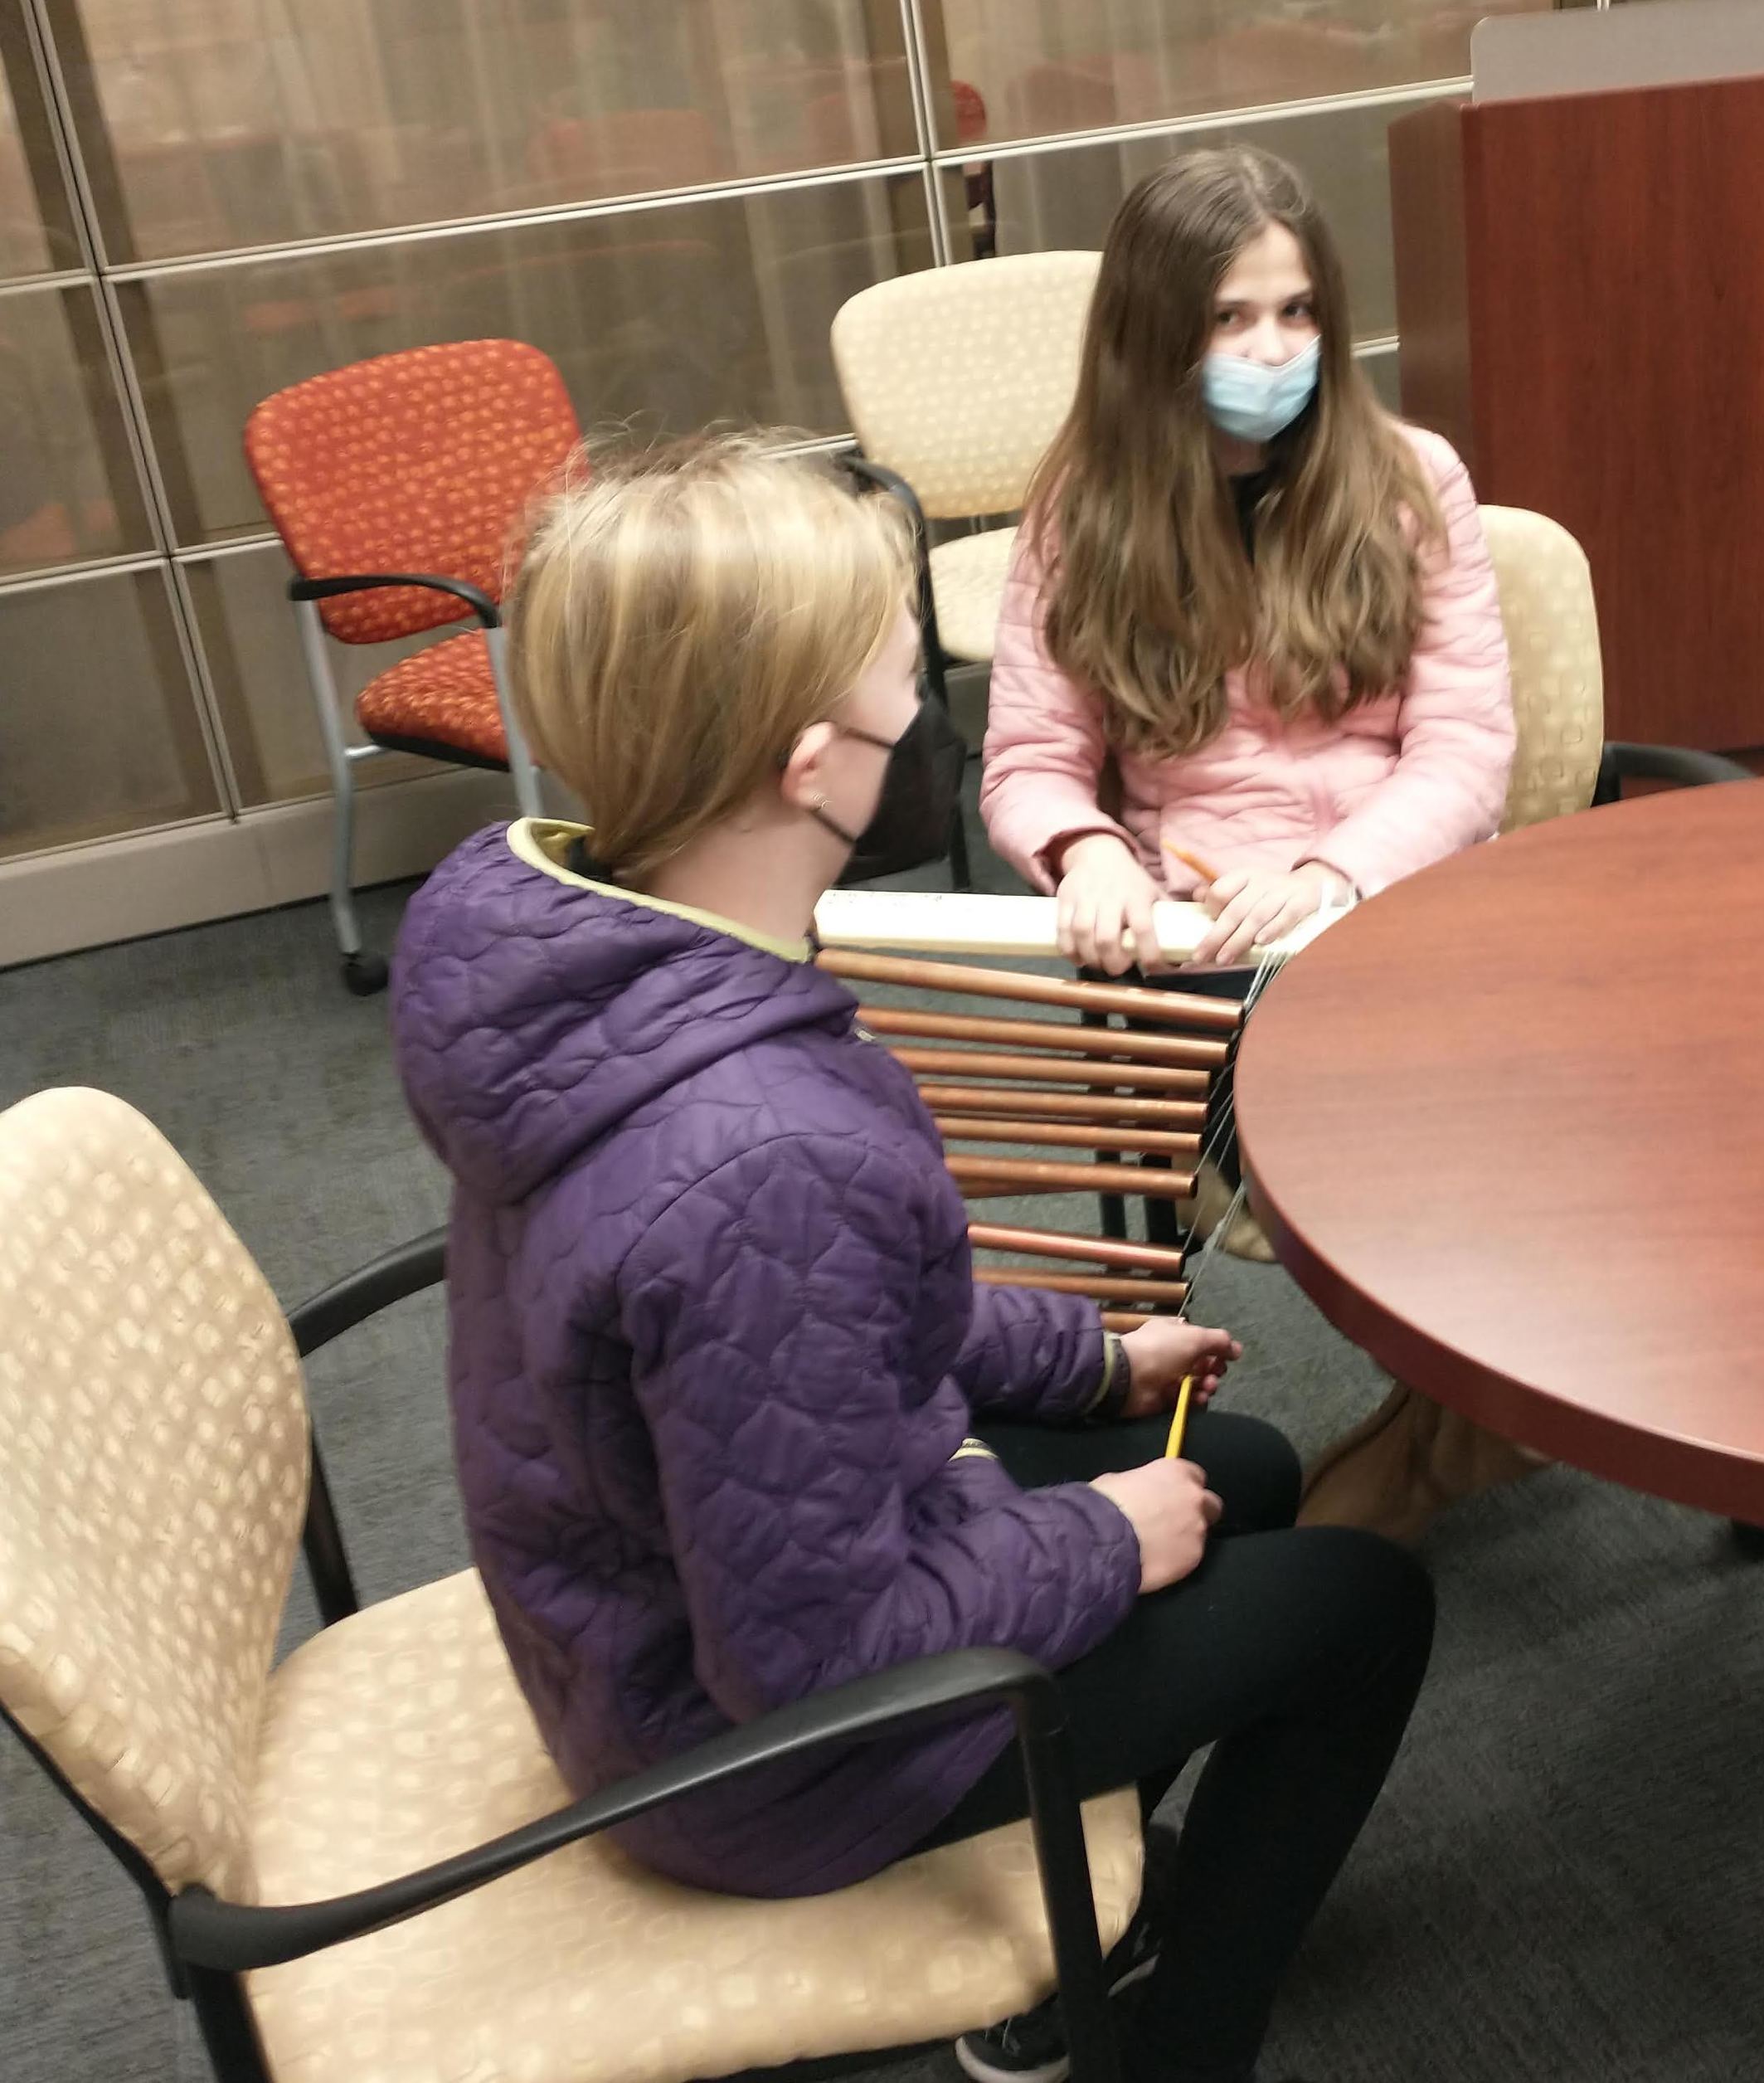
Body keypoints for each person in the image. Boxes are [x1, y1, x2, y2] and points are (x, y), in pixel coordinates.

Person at [389, 433, 1435, 2083]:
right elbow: (809, 1657)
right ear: (817, 765)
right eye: (905, 686)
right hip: (757, 1757)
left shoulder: (587, 957)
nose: (928, 721)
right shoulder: (761, 1161)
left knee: (1233, 1460)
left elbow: (848, 1313)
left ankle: (1072, 1904)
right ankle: (1169, 2047)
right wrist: (1099, 1539)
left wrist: (1090, 1362)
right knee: (1365, 1608)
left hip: (641, 1596)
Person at [979, 145, 1529, 1533]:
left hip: (1402, 886)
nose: (1273, 348)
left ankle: (1458, 1412)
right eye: (1231, 319)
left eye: (1296, 312)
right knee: (1376, 1123)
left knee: (1553, 1096)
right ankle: (1461, 1419)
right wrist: (1087, 851)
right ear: (1157, 334)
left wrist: (1337, 870)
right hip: (1208, 926)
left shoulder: (1411, 478)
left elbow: (1465, 749)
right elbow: (1033, 763)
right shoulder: (1080, 510)